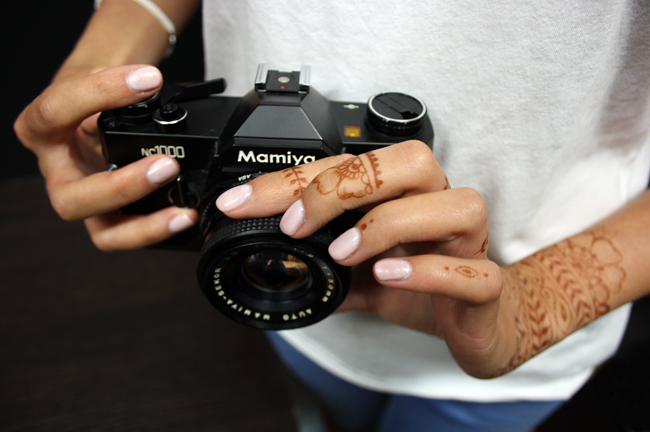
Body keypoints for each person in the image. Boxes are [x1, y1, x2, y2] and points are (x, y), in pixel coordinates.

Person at [14, 1, 650, 431]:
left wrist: (539, 299)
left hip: (520, 346)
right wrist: (109, 58)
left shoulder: (530, 319)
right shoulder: (272, 271)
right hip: (295, 314)